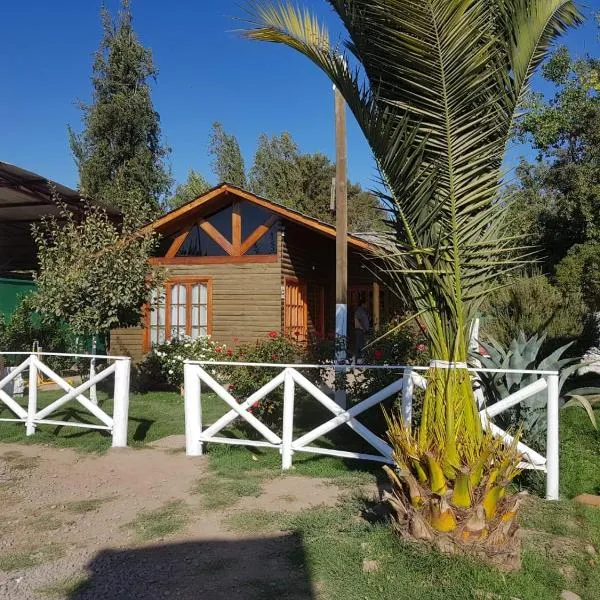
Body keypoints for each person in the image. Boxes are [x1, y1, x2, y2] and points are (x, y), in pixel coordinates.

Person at [354, 298, 370, 364]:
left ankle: (360, 359)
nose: (367, 305)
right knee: (359, 344)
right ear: (363, 304)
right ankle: (355, 359)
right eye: (366, 304)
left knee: (362, 344)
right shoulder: (359, 311)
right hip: (360, 330)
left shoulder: (364, 311)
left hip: (363, 330)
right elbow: (356, 320)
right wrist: (361, 328)